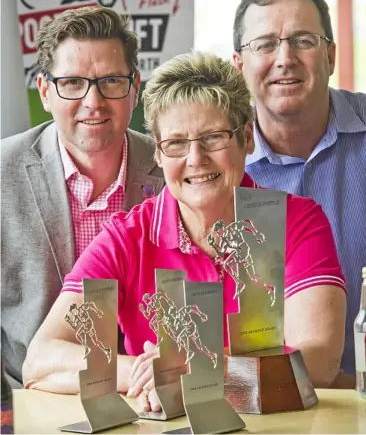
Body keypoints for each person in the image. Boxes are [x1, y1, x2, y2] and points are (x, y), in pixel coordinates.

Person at [23, 52, 346, 412]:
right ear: (159, 155)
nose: (195, 159)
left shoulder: (297, 222)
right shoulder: (126, 238)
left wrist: (200, 368)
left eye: (212, 138)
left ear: (247, 138)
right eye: (176, 143)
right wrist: (144, 372)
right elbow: (41, 361)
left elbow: (318, 364)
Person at [1, 6, 164, 389]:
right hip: (28, 397)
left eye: (110, 81)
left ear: (135, 88)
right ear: (45, 91)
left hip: (149, 395)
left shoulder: (173, 168)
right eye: (73, 83)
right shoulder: (3, 175)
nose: (93, 101)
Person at [232, 0, 366, 383]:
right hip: (264, 398)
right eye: (266, 44)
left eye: (303, 41)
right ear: (238, 65)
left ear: (330, 55)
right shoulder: (213, 164)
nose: (285, 59)